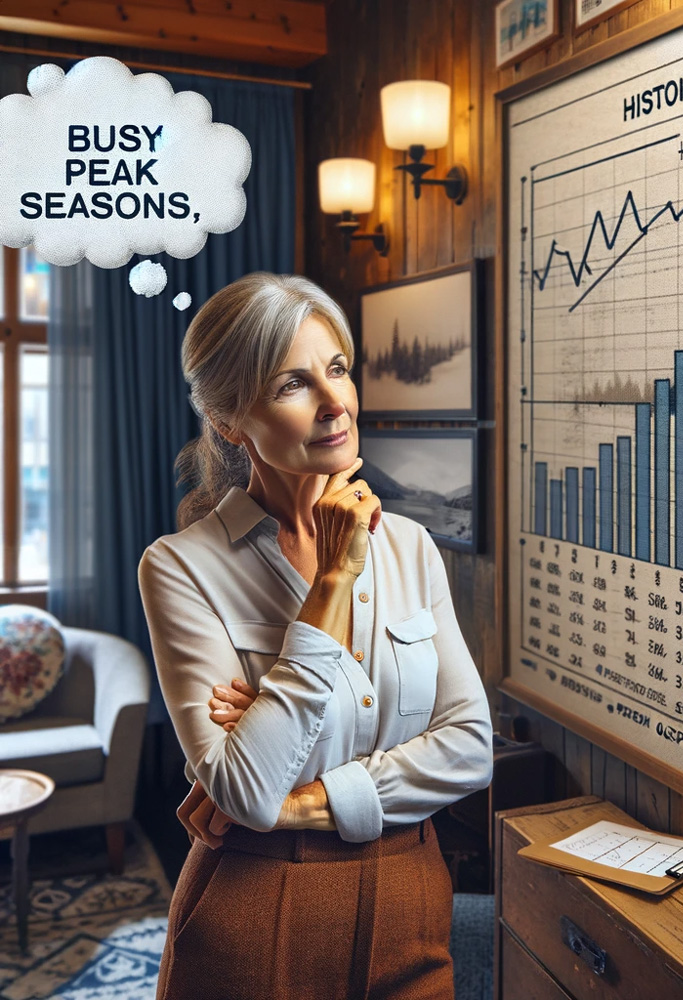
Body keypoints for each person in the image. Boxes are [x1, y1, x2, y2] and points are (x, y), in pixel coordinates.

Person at [137, 272, 494, 1000]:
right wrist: (332, 579)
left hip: (414, 900)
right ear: (233, 420)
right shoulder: (180, 568)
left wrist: (303, 798)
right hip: (255, 907)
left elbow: (469, 747)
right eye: (293, 384)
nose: (336, 402)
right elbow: (241, 787)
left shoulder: (413, 547)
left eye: (338, 369)